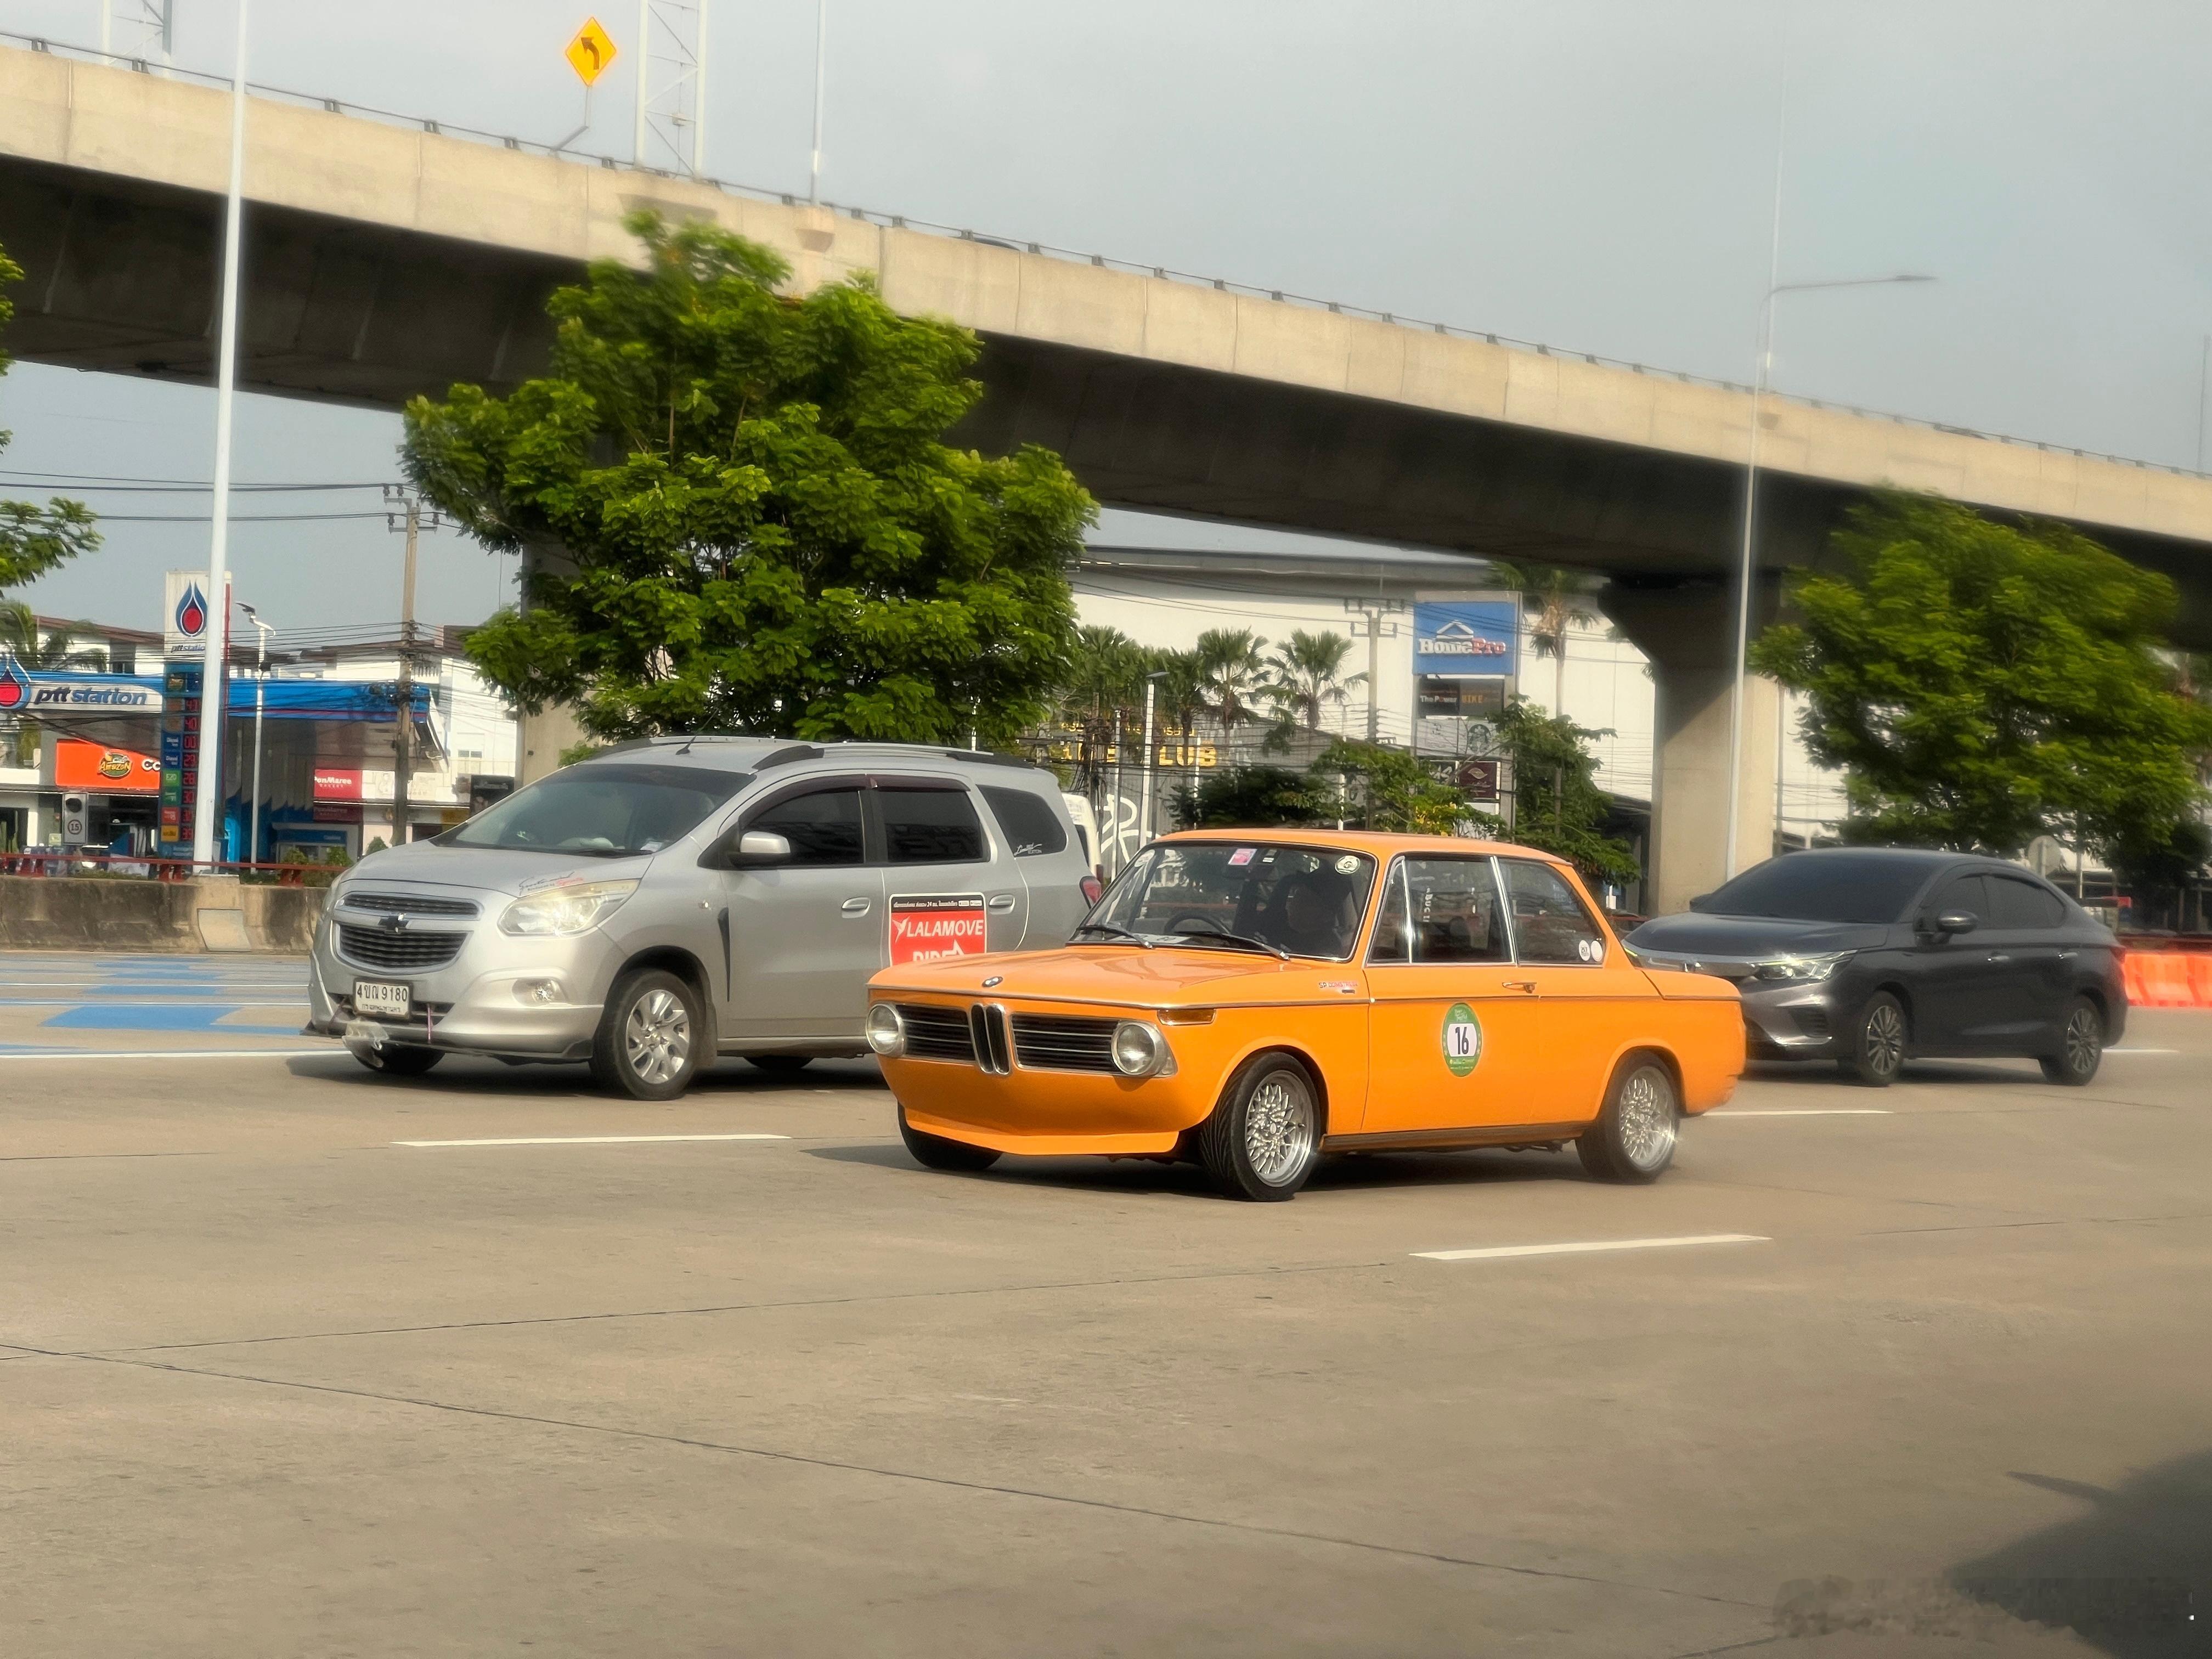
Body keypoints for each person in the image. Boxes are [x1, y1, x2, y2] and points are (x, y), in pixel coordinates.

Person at [1273, 865, 1356, 957]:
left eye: (1305, 902)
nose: (1293, 905)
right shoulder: (1275, 926)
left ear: (1327, 915)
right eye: (1296, 897)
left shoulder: (1326, 950)